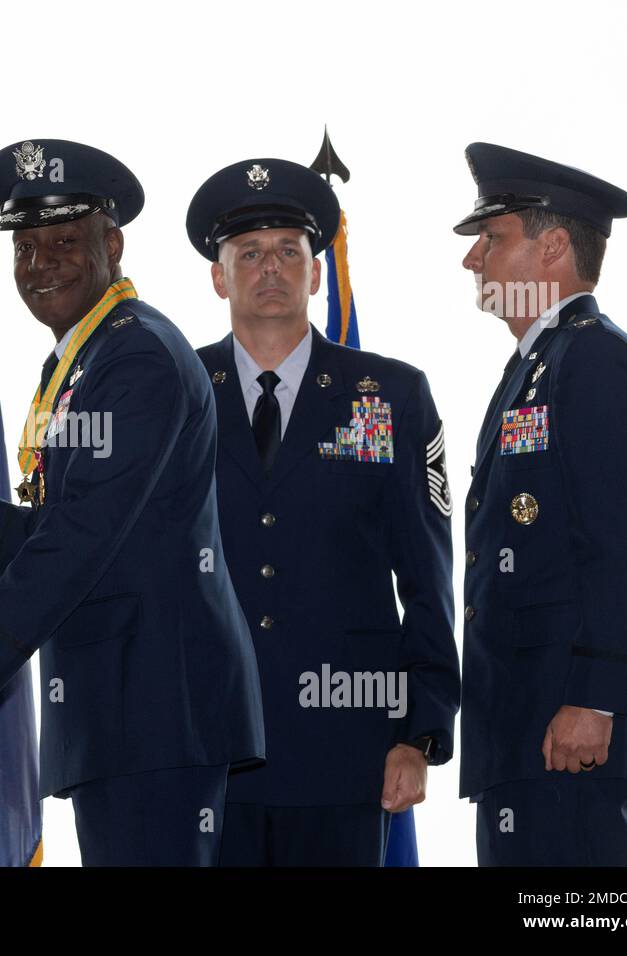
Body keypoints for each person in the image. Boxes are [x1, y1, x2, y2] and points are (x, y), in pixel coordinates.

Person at [0, 139, 264, 866]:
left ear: (112, 243)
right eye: (25, 248)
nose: (42, 264)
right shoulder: (88, 358)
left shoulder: (138, 357)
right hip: (127, 714)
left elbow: (83, 538)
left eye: (64, 241)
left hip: (157, 715)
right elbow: (74, 528)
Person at [185, 158, 460, 865]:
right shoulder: (173, 393)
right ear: (219, 275)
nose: (269, 267)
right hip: (205, 755)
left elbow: (428, 578)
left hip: (347, 753)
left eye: (288, 250)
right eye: (248, 253)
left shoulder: (392, 395)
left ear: (316, 272)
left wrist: (420, 731)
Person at [456, 142, 627, 866]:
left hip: (574, 727)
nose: (472, 261)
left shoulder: (596, 360)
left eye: (491, 240)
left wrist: (594, 699)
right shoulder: (537, 366)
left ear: (553, 246)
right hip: (529, 719)